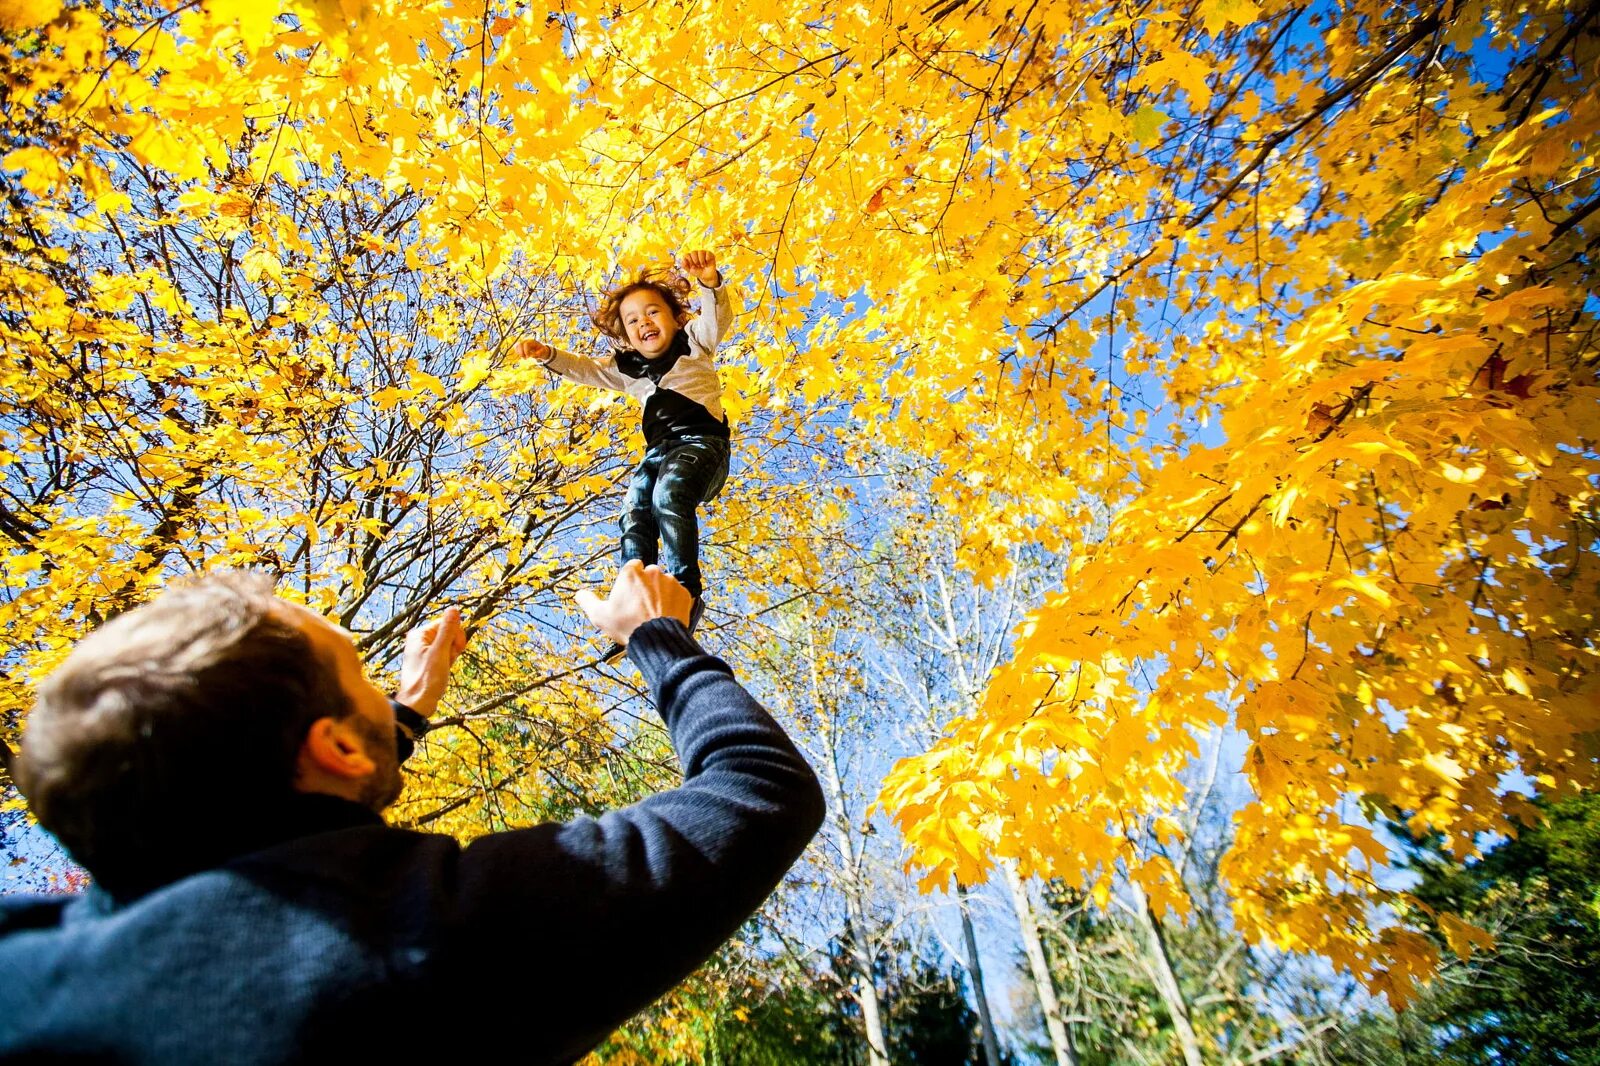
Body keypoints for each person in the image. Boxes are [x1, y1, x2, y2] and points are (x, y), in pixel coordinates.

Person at [0, 562, 824, 1064]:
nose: (374, 674)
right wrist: (658, 636)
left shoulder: (30, 962)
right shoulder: (410, 943)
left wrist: (398, 716)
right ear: (335, 750)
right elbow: (757, 790)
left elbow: (272, 826)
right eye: (355, 664)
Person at [515, 250, 733, 639]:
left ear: (675, 318)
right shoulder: (627, 370)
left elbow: (717, 319)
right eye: (633, 320)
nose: (643, 323)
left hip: (703, 445)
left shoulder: (694, 343)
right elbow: (588, 369)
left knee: (669, 494)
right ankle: (634, 588)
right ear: (626, 334)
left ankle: (686, 590)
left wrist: (709, 283)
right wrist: (547, 355)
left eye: (653, 312)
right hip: (658, 453)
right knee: (636, 507)